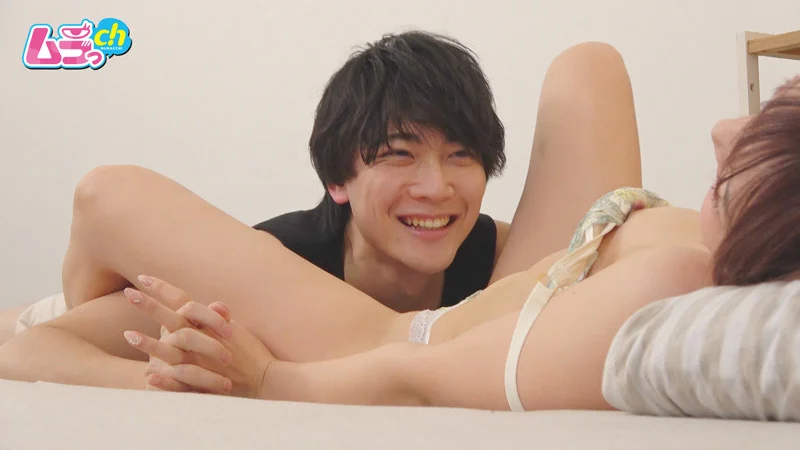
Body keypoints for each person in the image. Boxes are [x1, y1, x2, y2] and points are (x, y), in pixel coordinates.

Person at [121, 72, 800, 412]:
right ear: (337, 180)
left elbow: (414, 376)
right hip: (559, 256)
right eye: (400, 155)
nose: (724, 131)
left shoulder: (669, 283)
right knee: (590, 63)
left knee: (111, 193)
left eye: (768, 131)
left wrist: (270, 381)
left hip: (393, 334)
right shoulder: (682, 256)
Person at [0, 39, 645, 389]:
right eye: (398, 155)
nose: (437, 187)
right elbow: (35, 348)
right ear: (339, 179)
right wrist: (173, 379)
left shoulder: (495, 258)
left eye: (461, 156)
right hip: (66, 306)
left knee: (591, 62)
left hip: (425, 334)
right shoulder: (275, 267)